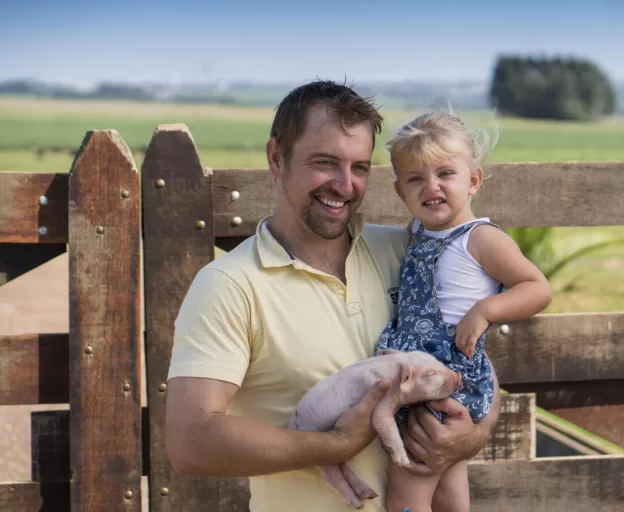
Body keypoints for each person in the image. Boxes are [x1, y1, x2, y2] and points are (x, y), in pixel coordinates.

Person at [164, 80, 496, 512]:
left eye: (359, 167)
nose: (344, 185)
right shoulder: (230, 285)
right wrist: (334, 445)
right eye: (325, 163)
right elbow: (191, 443)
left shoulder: (407, 253)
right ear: (276, 158)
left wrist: (475, 434)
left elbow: (475, 365)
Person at [376, 111, 552, 512]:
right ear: (400, 191)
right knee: (449, 487)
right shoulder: (417, 231)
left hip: (446, 376)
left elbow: (538, 288)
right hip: (422, 372)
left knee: (408, 489)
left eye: (445, 174)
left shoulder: (481, 239)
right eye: (416, 178)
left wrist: (485, 310)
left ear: (473, 180)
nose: (431, 187)